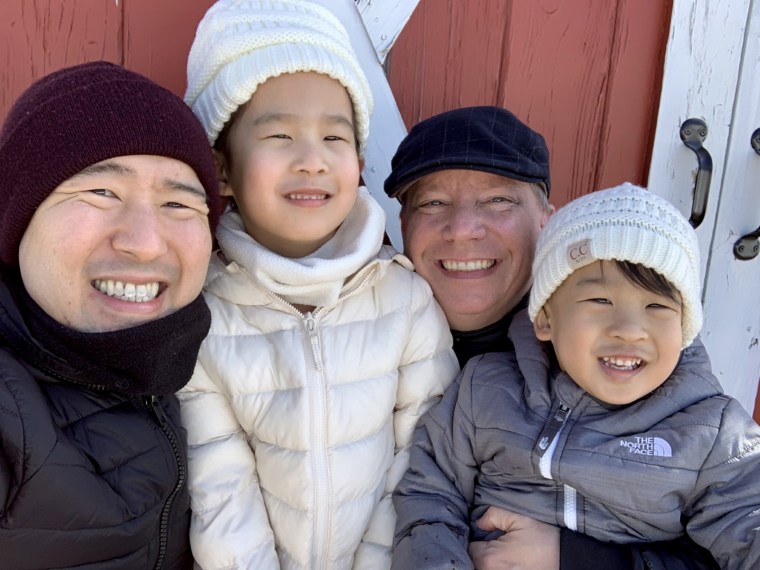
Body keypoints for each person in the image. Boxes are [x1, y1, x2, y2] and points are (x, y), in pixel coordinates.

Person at [178, 1, 459, 568]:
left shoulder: (403, 302)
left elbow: (419, 465)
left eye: (335, 138)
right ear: (223, 169)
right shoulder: (203, 316)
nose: (312, 160)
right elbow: (220, 496)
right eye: (279, 134)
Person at [384, 106, 719, 570]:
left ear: (547, 221)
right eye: (432, 203)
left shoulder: (652, 369)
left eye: (498, 200)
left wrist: (581, 559)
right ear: (403, 224)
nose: (462, 228)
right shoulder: (354, 336)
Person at [0, 61, 220, 569]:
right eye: (101, 192)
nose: (144, 243)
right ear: (17, 220)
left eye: (178, 204)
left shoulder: (211, 354)